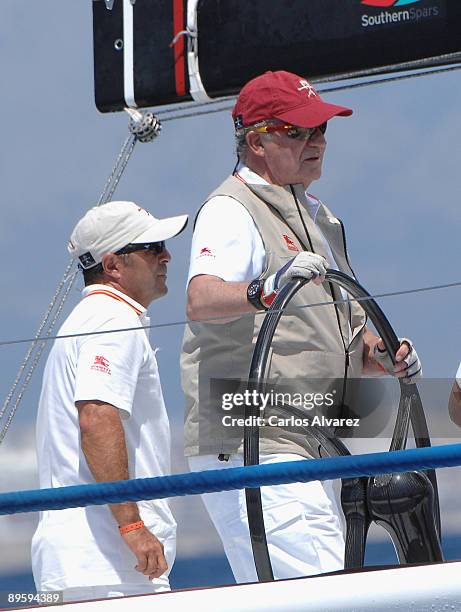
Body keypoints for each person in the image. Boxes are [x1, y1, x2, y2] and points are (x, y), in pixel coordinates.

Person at [180, 70, 421, 583]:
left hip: (309, 439)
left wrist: (386, 356)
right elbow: (200, 300)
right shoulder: (230, 209)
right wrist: (261, 291)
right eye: (300, 131)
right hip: (252, 438)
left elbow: (350, 344)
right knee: (316, 591)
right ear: (257, 141)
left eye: (321, 131)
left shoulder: (320, 220)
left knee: (324, 583)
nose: (317, 142)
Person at [32, 200, 188, 601]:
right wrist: (132, 527)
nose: (167, 255)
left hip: (85, 562)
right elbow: (97, 418)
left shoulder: (91, 318)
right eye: (153, 247)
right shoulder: (112, 320)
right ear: (114, 265)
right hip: (109, 563)